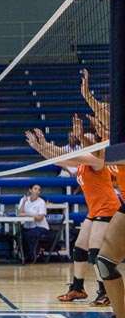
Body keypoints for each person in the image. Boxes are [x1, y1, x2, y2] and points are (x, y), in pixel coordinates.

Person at [27, 121, 117, 308]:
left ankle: (105, 292)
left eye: (90, 140)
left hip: (108, 209)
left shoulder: (98, 160)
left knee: (95, 252)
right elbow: (59, 160)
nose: (85, 141)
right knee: (79, 248)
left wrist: (45, 144)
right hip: (94, 210)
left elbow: (69, 155)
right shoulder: (81, 165)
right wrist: (40, 147)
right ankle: (77, 288)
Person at [18, 184, 49, 263]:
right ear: (30, 190)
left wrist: (28, 214)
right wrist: (24, 202)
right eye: (35, 189)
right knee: (20, 234)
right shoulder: (23, 200)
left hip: (41, 227)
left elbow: (40, 218)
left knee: (30, 234)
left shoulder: (41, 202)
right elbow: (20, 213)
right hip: (28, 226)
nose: (37, 191)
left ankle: (32, 255)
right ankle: (24, 256)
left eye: (39, 190)